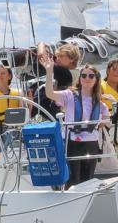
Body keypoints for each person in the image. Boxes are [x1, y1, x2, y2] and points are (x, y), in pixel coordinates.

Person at [40, 48, 110, 188]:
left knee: (88, 180)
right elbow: (49, 93)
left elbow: (107, 120)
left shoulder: (100, 103)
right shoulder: (69, 95)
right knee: (73, 180)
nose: (87, 79)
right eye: (84, 76)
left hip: (92, 143)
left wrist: (104, 121)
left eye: (91, 76)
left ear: (96, 80)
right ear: (80, 79)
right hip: (72, 142)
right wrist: (49, 72)